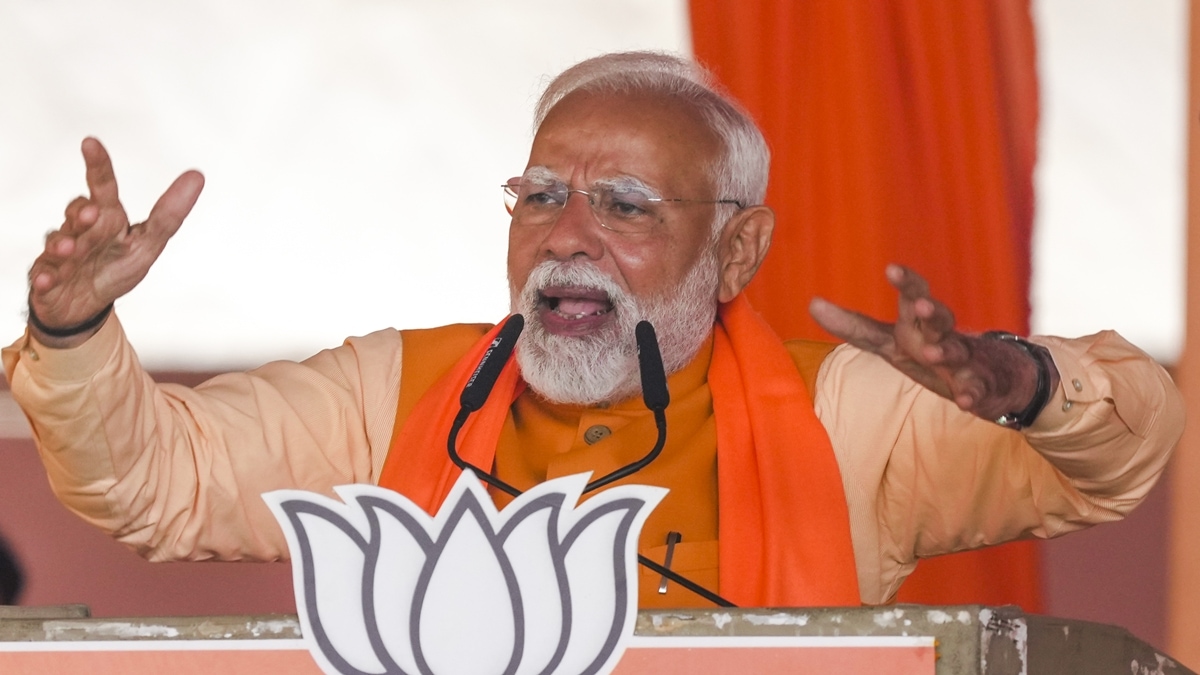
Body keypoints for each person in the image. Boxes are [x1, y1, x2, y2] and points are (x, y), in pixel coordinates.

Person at [3, 52, 1183, 608]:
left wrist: (1018, 378)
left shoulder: (846, 415)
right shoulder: (398, 392)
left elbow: (1123, 453)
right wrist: (75, 330)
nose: (565, 237)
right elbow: (152, 482)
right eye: (538, 197)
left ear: (737, 253)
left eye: (623, 207)